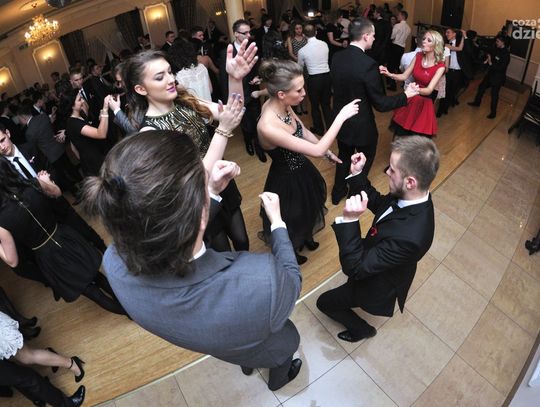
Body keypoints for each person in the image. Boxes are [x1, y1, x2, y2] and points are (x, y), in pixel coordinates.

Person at [83, 130, 303, 391]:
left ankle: (246, 364)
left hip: (225, 345)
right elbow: (292, 279)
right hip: (265, 346)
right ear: (199, 215)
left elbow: (168, 232)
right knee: (280, 353)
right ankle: (279, 381)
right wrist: (277, 224)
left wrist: (210, 193)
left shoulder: (114, 263)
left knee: (242, 350)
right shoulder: (260, 281)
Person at [123, 43, 256, 252]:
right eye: (160, 77)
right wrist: (222, 130)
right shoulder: (150, 133)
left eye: (170, 72)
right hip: (198, 198)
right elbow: (199, 175)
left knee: (242, 240)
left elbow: (232, 113)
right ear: (141, 89)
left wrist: (235, 78)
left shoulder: (185, 99)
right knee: (222, 254)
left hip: (220, 179)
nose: (170, 79)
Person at [317, 136, 439, 342]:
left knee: (324, 303)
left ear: (410, 182)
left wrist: (350, 221)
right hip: (374, 257)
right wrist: (358, 175)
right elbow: (380, 204)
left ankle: (363, 330)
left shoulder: (412, 237)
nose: (387, 172)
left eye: (392, 170)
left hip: (375, 285)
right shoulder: (412, 196)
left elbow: (355, 267)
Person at [257, 59, 360, 265]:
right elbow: (316, 150)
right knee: (291, 216)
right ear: (281, 94)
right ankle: (292, 250)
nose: (304, 93)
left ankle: (305, 236)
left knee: (308, 208)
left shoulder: (284, 105)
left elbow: (302, 131)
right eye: (299, 90)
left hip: (302, 169)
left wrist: (327, 152)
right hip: (285, 178)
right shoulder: (267, 126)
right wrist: (339, 118)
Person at [0, 158, 125, 315]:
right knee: (98, 277)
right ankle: (131, 311)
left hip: (48, 256)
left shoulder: (2, 221)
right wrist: (46, 181)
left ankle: (128, 313)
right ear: (9, 169)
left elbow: (12, 261)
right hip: (64, 236)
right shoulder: (33, 184)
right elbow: (57, 193)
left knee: (94, 294)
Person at [331, 18, 418, 205]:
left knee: (344, 156)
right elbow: (381, 104)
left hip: (341, 121)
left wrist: (372, 75)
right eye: (373, 35)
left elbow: (348, 82)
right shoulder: (368, 64)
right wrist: (406, 95)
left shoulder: (337, 57)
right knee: (364, 159)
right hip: (362, 125)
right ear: (365, 36)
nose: (374, 39)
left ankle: (337, 192)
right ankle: (354, 194)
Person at [380, 30, 445, 137]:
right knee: (401, 130)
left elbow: (429, 90)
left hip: (424, 101)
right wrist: (389, 74)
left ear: (436, 45)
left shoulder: (440, 66)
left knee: (416, 135)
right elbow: (404, 76)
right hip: (412, 97)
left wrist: (415, 89)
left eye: (429, 40)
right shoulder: (418, 56)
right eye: (424, 39)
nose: (424, 41)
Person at [60, 89, 111, 176]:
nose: (83, 101)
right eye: (79, 100)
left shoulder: (80, 116)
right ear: (72, 106)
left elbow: (74, 148)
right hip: (94, 162)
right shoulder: (74, 123)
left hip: (95, 156)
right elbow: (101, 134)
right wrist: (105, 108)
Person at [297, 24, 331, 134]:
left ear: (304, 35)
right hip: (327, 77)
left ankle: (319, 130)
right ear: (316, 32)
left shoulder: (302, 51)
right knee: (326, 104)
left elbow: (299, 68)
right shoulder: (324, 44)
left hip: (314, 79)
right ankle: (331, 129)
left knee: (315, 105)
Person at [467, 34, 510, 119]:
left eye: (498, 41)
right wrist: (476, 44)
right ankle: (477, 102)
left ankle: (493, 113)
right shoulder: (496, 49)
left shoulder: (506, 55)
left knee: (494, 95)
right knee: (481, 87)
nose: (496, 42)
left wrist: (490, 63)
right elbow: (487, 49)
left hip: (498, 78)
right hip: (490, 75)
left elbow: (501, 68)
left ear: (503, 42)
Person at [386, 10, 411, 91]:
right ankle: (404, 82)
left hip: (395, 46)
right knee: (398, 65)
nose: (397, 16)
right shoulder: (408, 28)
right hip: (402, 48)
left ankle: (393, 85)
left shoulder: (397, 25)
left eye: (399, 15)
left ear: (403, 16)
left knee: (391, 66)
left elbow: (392, 36)